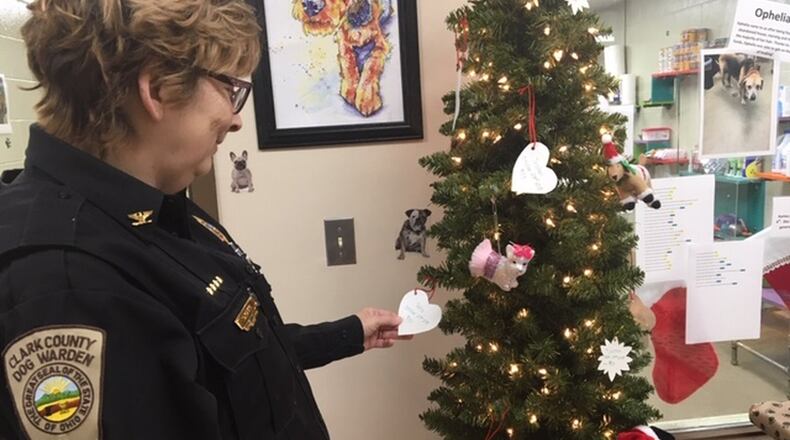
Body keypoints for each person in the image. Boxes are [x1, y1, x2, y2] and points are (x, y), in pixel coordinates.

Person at [0, 1, 409, 438]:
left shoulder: (155, 205)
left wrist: (348, 333)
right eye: (229, 89)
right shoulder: (67, 284)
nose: (235, 119)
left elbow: (231, 360)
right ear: (156, 89)